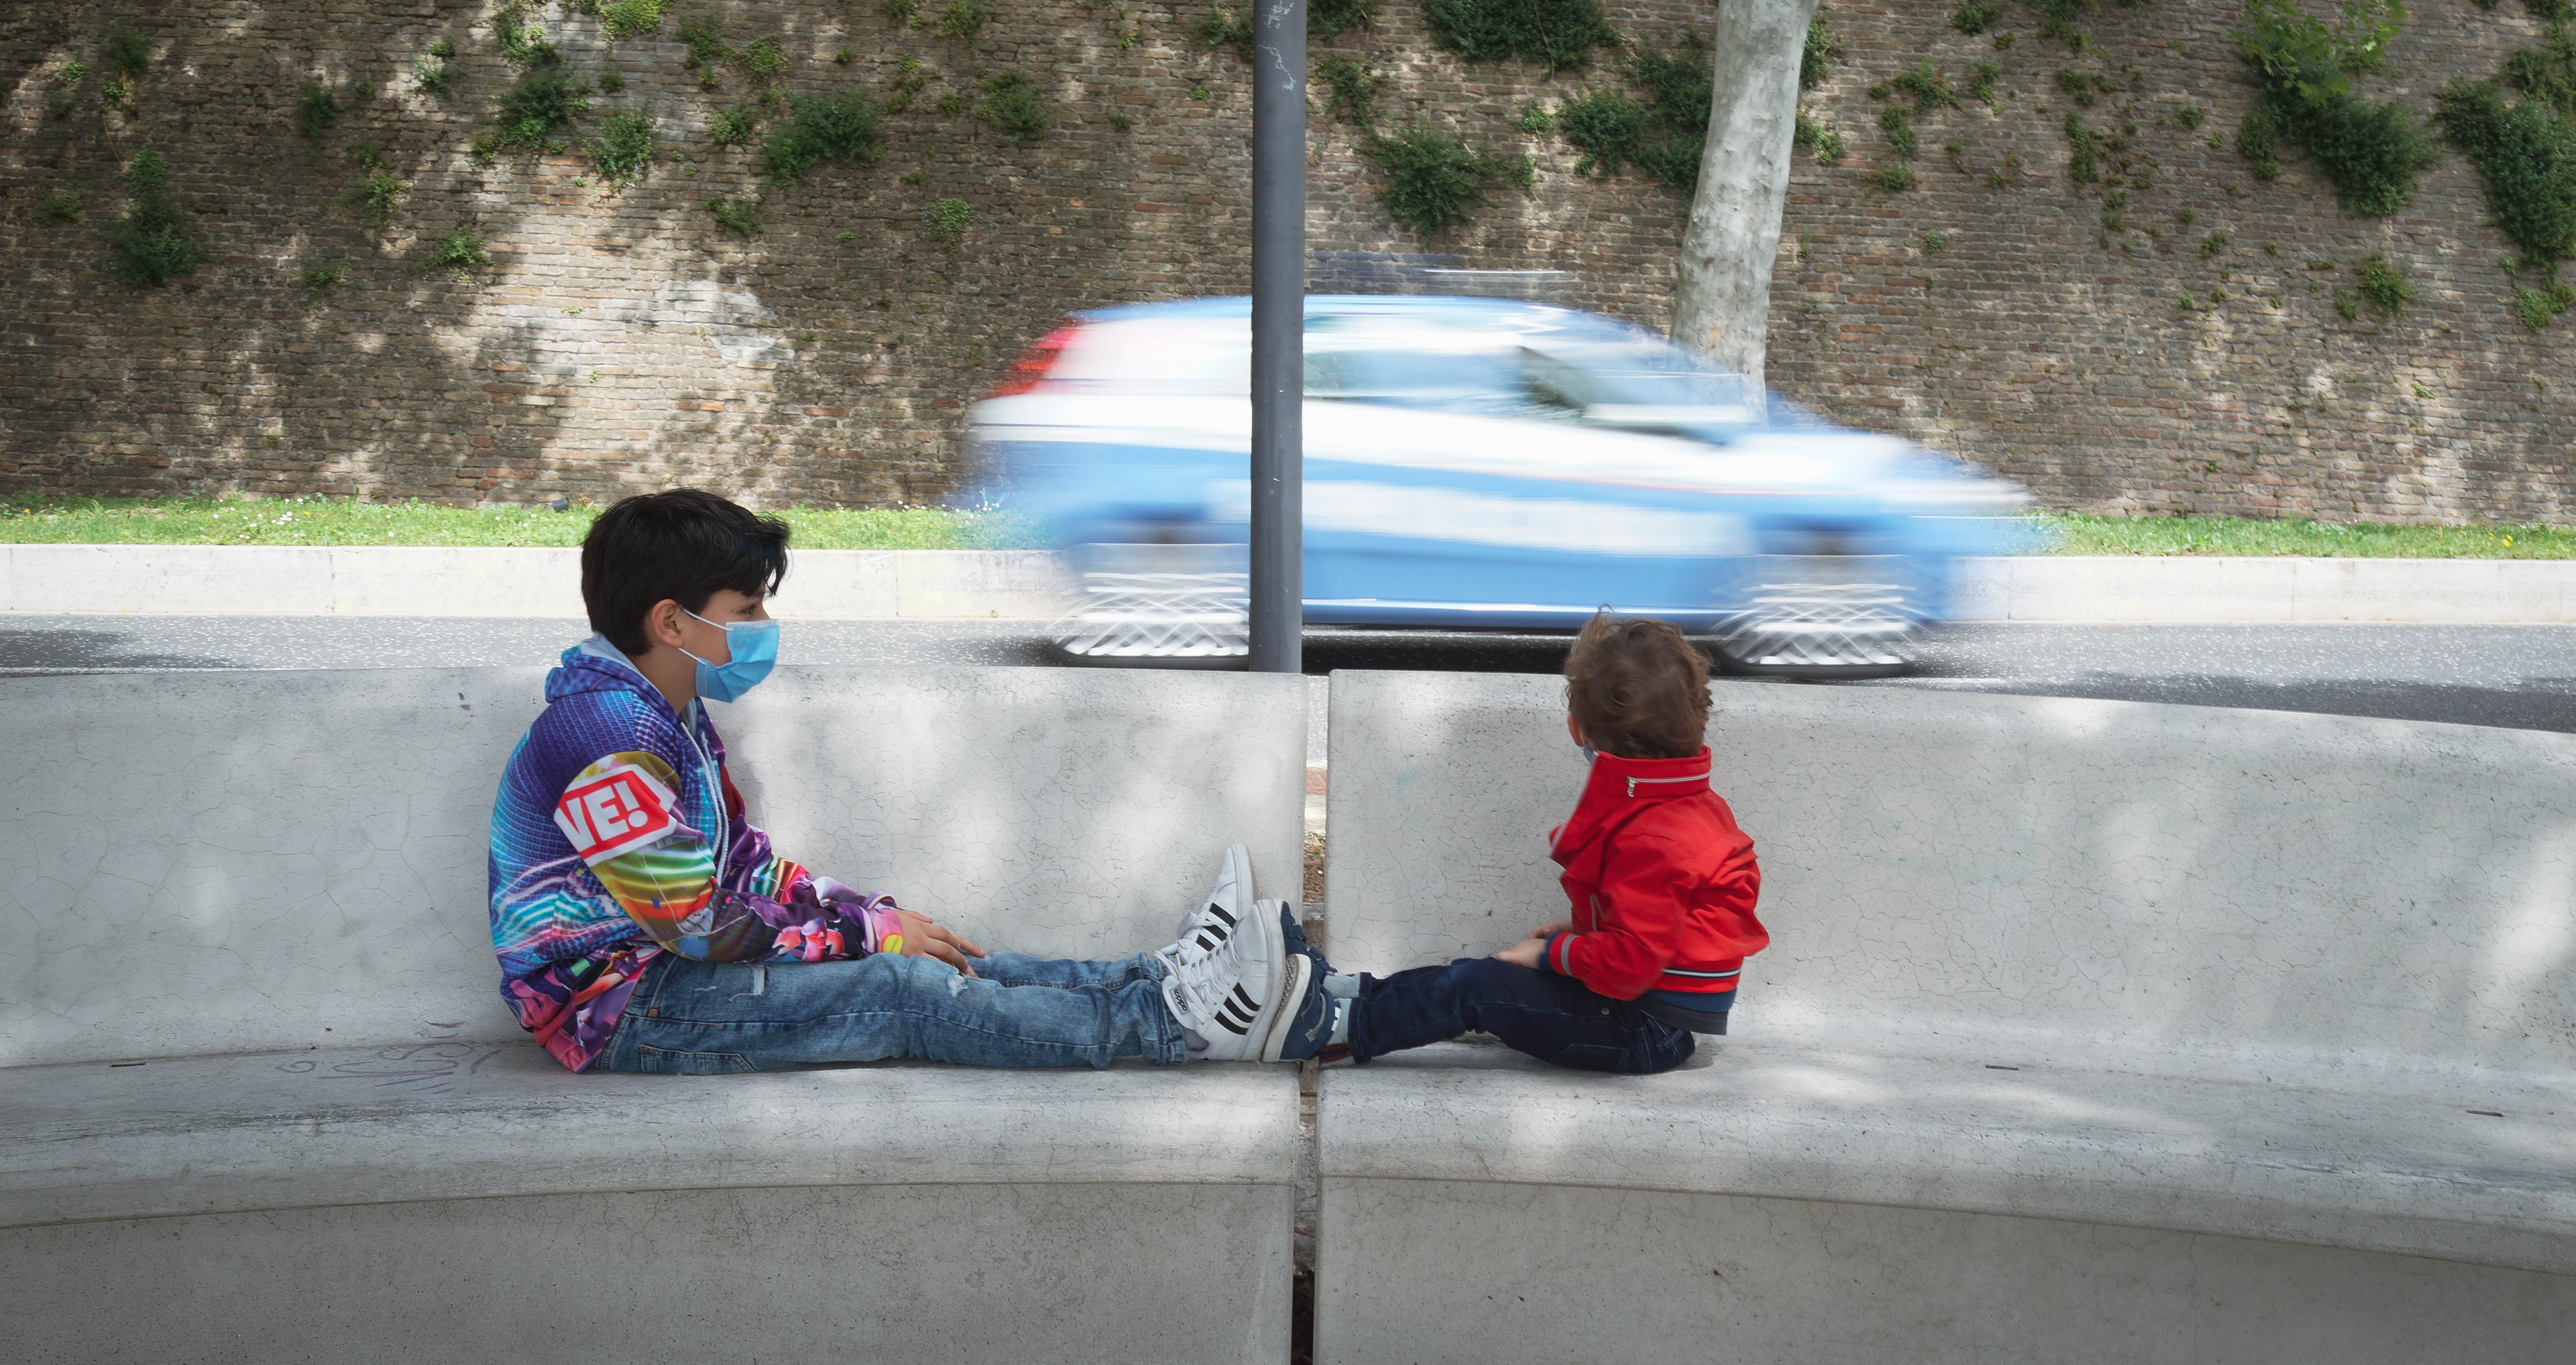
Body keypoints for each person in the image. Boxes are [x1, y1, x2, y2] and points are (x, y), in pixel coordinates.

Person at [484, 488, 1338, 1073]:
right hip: (620, 1012)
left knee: (945, 957)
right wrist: (865, 940)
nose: (763, 628)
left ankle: (1156, 978)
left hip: (671, 980)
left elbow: (745, 869)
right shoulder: (603, 741)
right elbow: (699, 927)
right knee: (900, 990)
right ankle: (1176, 1027)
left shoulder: (667, 715)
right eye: (746, 611)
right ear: (671, 621)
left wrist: (869, 914)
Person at [1270, 609, 1767, 1072]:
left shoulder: (1653, 833)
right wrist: (1578, 934)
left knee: (1481, 987)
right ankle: (1346, 992)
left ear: (1578, 731)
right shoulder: (1686, 805)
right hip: (1646, 1014)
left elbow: (1632, 964)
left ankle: (1333, 1030)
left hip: (1642, 1031)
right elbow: (1662, 922)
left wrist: (1556, 955)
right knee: (1481, 971)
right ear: (1699, 719)